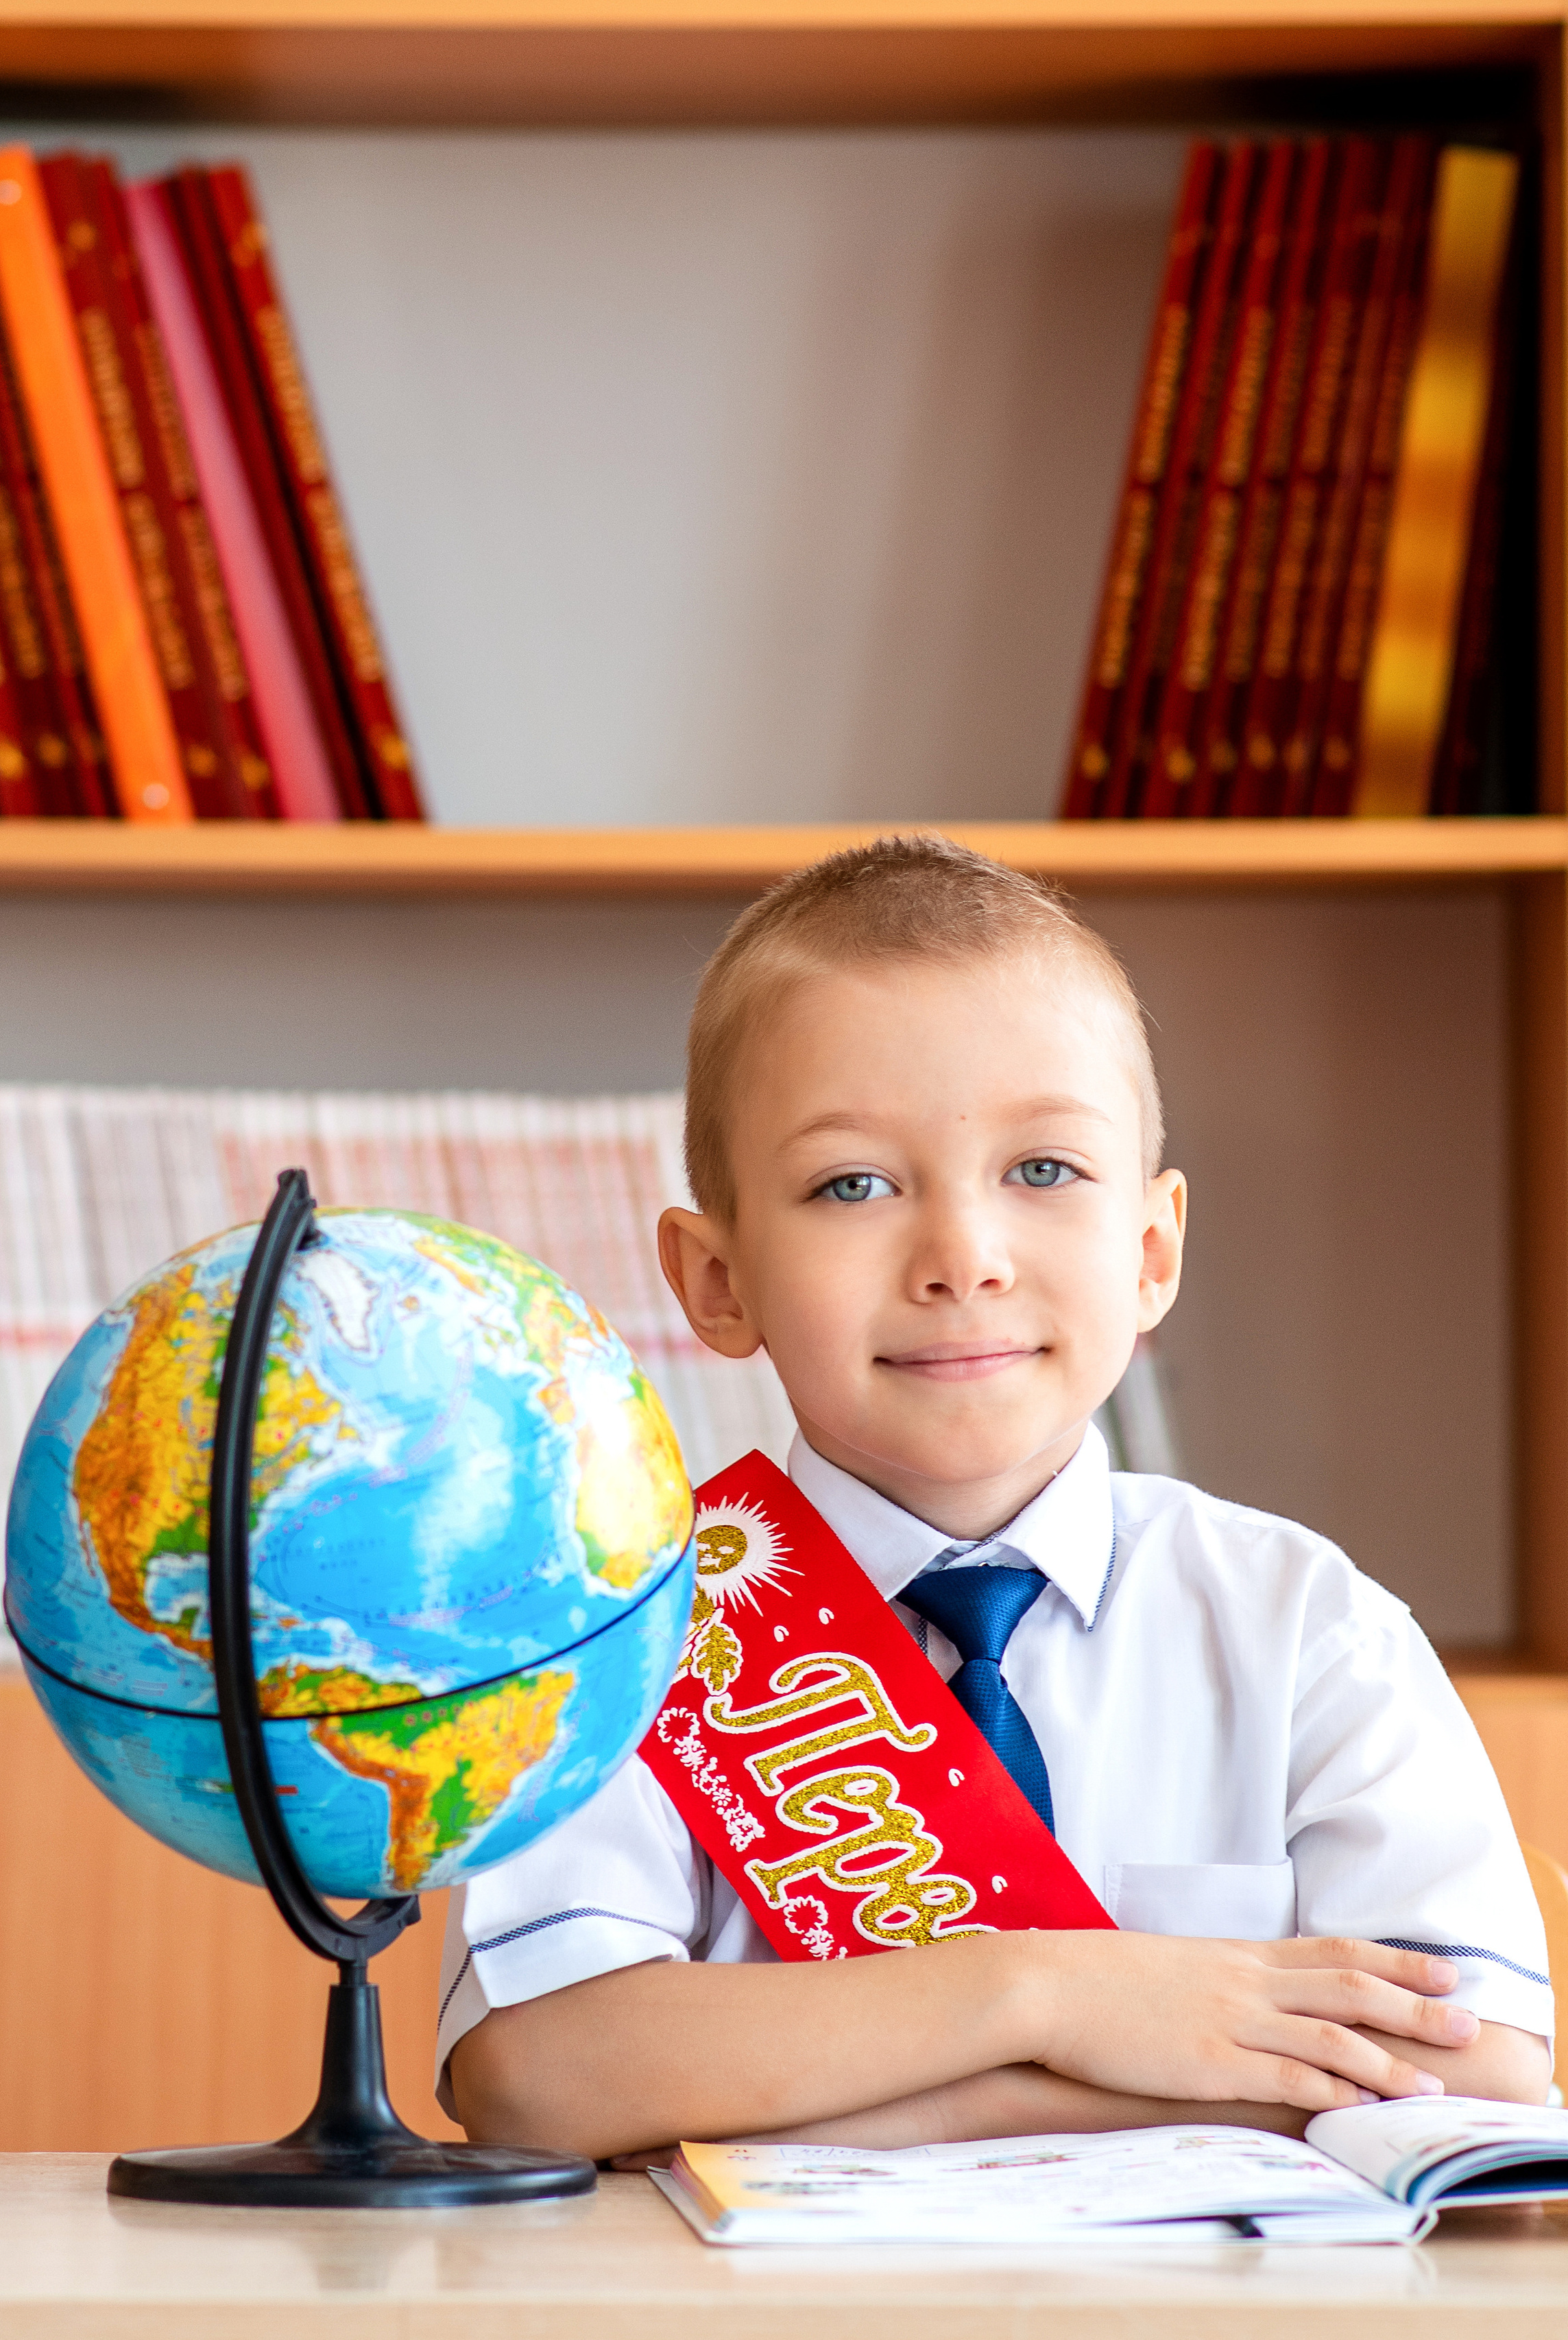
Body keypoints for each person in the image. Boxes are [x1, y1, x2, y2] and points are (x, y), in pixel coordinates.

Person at [436, 835, 1552, 2160]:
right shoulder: (625, 1637)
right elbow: (538, 2073)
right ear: (716, 1282)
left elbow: (1474, 2071)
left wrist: (910, 2089)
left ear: (1149, 1253)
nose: (963, 1258)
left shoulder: (1304, 1627)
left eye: (1043, 1171)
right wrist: (1046, 1993)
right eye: (853, 1184)